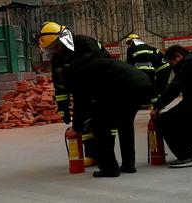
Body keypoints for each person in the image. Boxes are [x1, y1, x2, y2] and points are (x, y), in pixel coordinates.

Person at [34, 22, 110, 167]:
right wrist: (63, 109)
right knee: (86, 120)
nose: (55, 51)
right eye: (51, 49)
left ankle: (104, 156)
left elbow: (97, 66)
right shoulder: (58, 58)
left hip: (102, 84)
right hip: (82, 88)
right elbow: (59, 85)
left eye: (56, 46)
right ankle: (92, 155)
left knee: (100, 122)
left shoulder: (84, 43)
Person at [150, 45, 192, 168]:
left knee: (164, 121)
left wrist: (157, 107)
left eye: (172, 63)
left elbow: (175, 87)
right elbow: (190, 98)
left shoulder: (190, 63)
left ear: (178, 56)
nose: (172, 68)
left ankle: (188, 156)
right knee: (180, 120)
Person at [126, 34, 171, 108]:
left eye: (129, 43)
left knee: (148, 87)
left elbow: (130, 63)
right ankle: (155, 103)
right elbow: (157, 58)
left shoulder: (131, 49)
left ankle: (150, 102)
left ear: (132, 41)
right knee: (154, 87)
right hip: (154, 69)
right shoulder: (150, 48)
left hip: (145, 71)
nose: (129, 45)